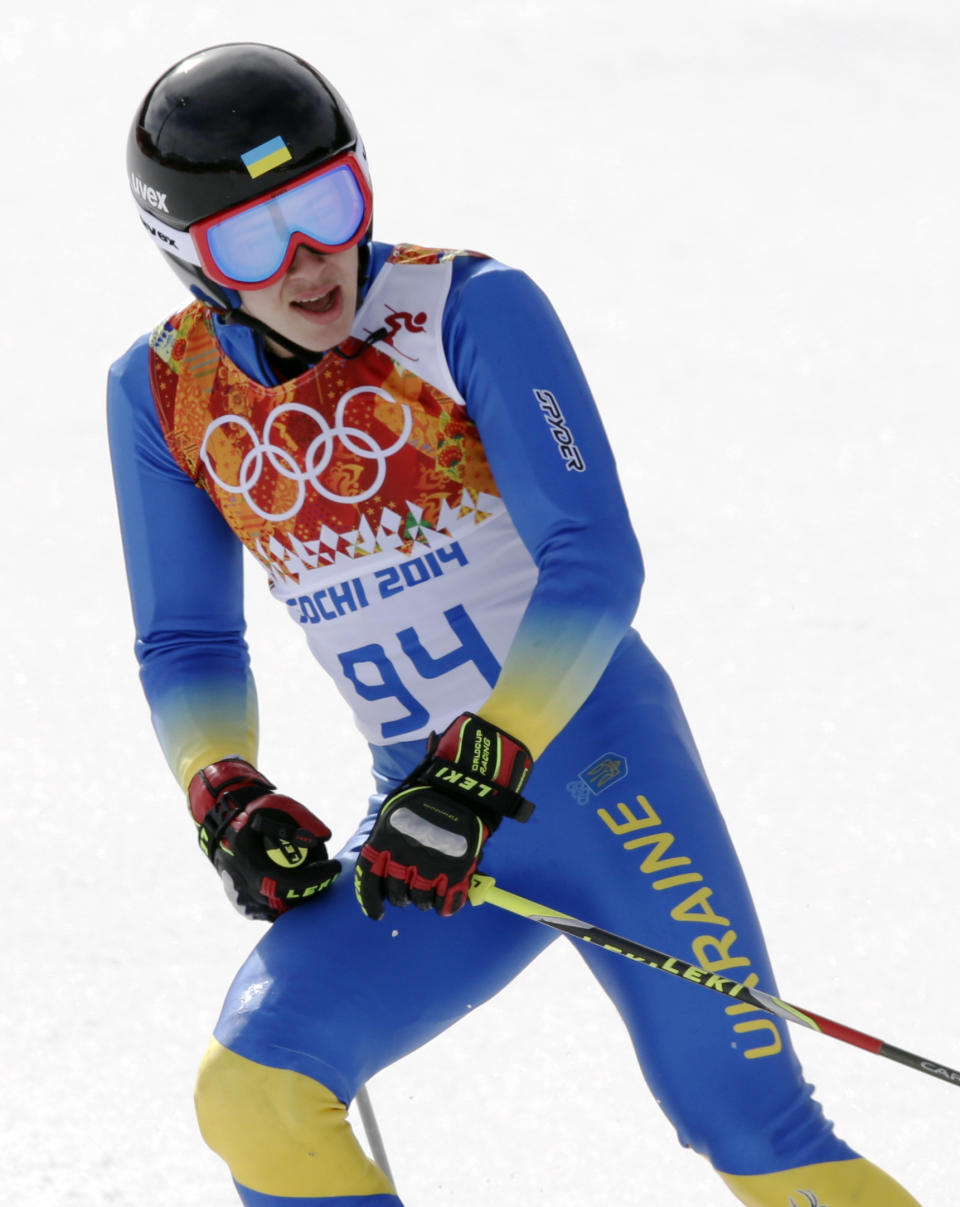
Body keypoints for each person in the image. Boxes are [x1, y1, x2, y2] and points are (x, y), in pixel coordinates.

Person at [108, 41, 922, 1207]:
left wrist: (484, 766)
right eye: (252, 237)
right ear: (189, 256)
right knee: (252, 1090)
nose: (309, 259)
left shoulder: (469, 309)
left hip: (600, 781)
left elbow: (593, 563)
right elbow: (186, 640)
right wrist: (222, 784)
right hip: (435, 822)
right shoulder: (162, 394)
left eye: (329, 203)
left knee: (753, 1125)